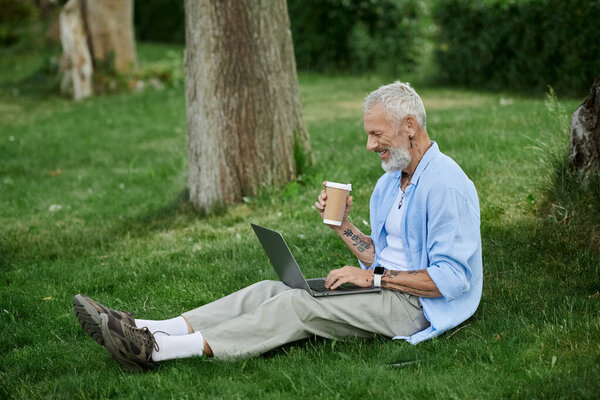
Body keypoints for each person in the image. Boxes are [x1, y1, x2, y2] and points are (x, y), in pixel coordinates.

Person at [73, 81, 482, 372]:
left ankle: (155, 350)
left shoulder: (446, 186)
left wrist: (371, 281)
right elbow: (383, 255)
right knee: (268, 290)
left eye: (377, 134)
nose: (370, 145)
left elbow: (453, 279)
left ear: (409, 126)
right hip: (385, 288)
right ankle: (140, 325)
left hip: (417, 309)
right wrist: (343, 228)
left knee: (296, 306)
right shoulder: (391, 180)